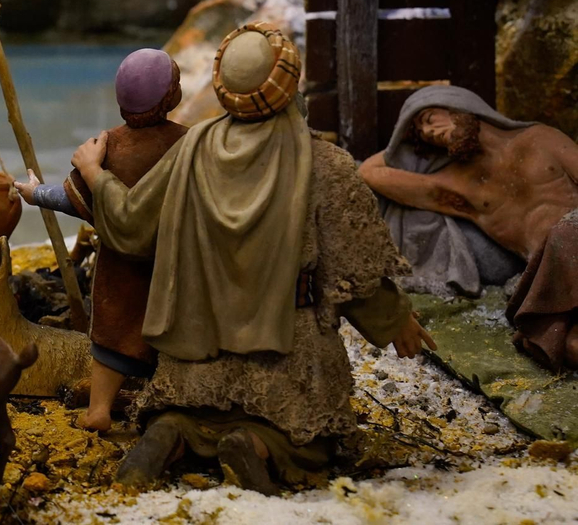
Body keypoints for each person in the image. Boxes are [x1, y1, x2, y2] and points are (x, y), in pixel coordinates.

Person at [72, 24, 432, 493]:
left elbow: (131, 226)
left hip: (196, 351)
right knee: (309, 440)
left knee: (183, 412)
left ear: (223, 85)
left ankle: (171, 432)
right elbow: (353, 268)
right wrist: (394, 320)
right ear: (288, 81)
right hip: (283, 346)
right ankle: (256, 444)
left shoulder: (191, 149)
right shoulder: (324, 164)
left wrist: (95, 174)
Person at [19, 47, 186, 432]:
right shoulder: (189, 143)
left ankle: (99, 410)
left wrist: (33, 193)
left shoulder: (108, 146)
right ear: (170, 97)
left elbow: (75, 200)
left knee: (113, 336)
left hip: (121, 268)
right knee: (172, 333)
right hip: (173, 266)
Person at [360, 85, 578, 372]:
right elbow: (370, 172)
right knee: (569, 346)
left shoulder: (539, 138)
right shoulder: (460, 186)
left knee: (566, 232)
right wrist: (404, 143)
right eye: (422, 134)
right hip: (554, 276)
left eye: (428, 118)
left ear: (458, 104)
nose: (429, 132)